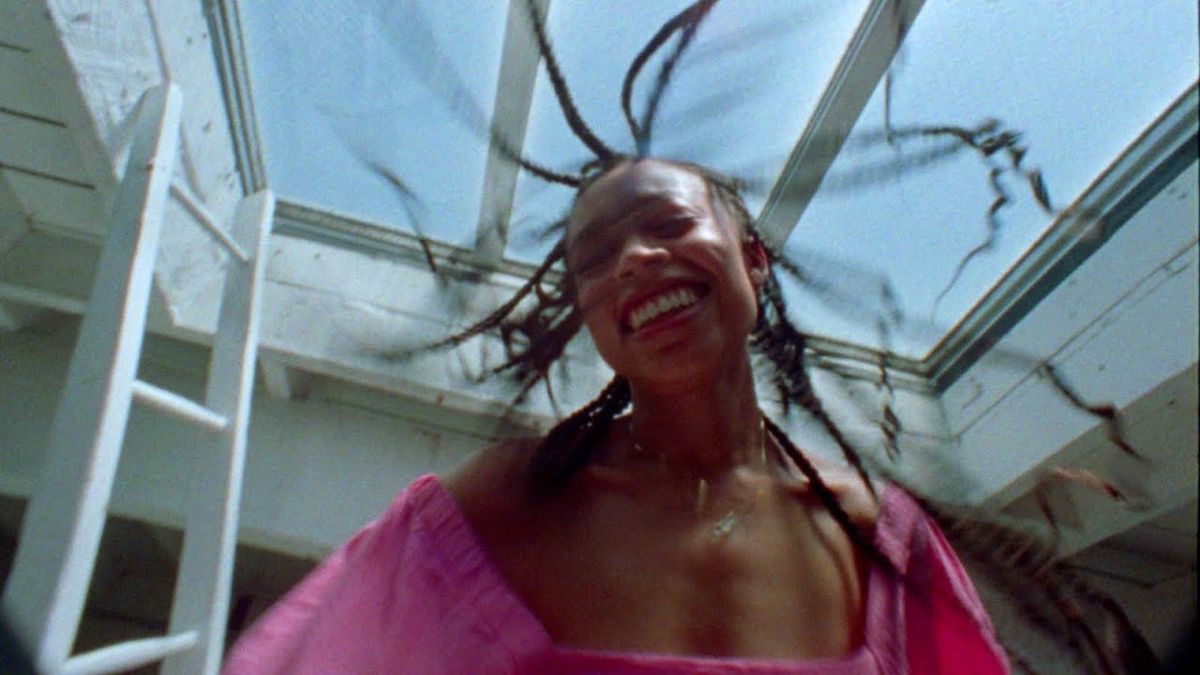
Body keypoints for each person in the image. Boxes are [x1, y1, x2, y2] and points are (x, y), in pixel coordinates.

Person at [221, 158, 1011, 674]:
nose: (633, 258)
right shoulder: (514, 496)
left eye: (668, 224)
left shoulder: (878, 538)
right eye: (596, 258)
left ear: (754, 258)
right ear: (591, 314)